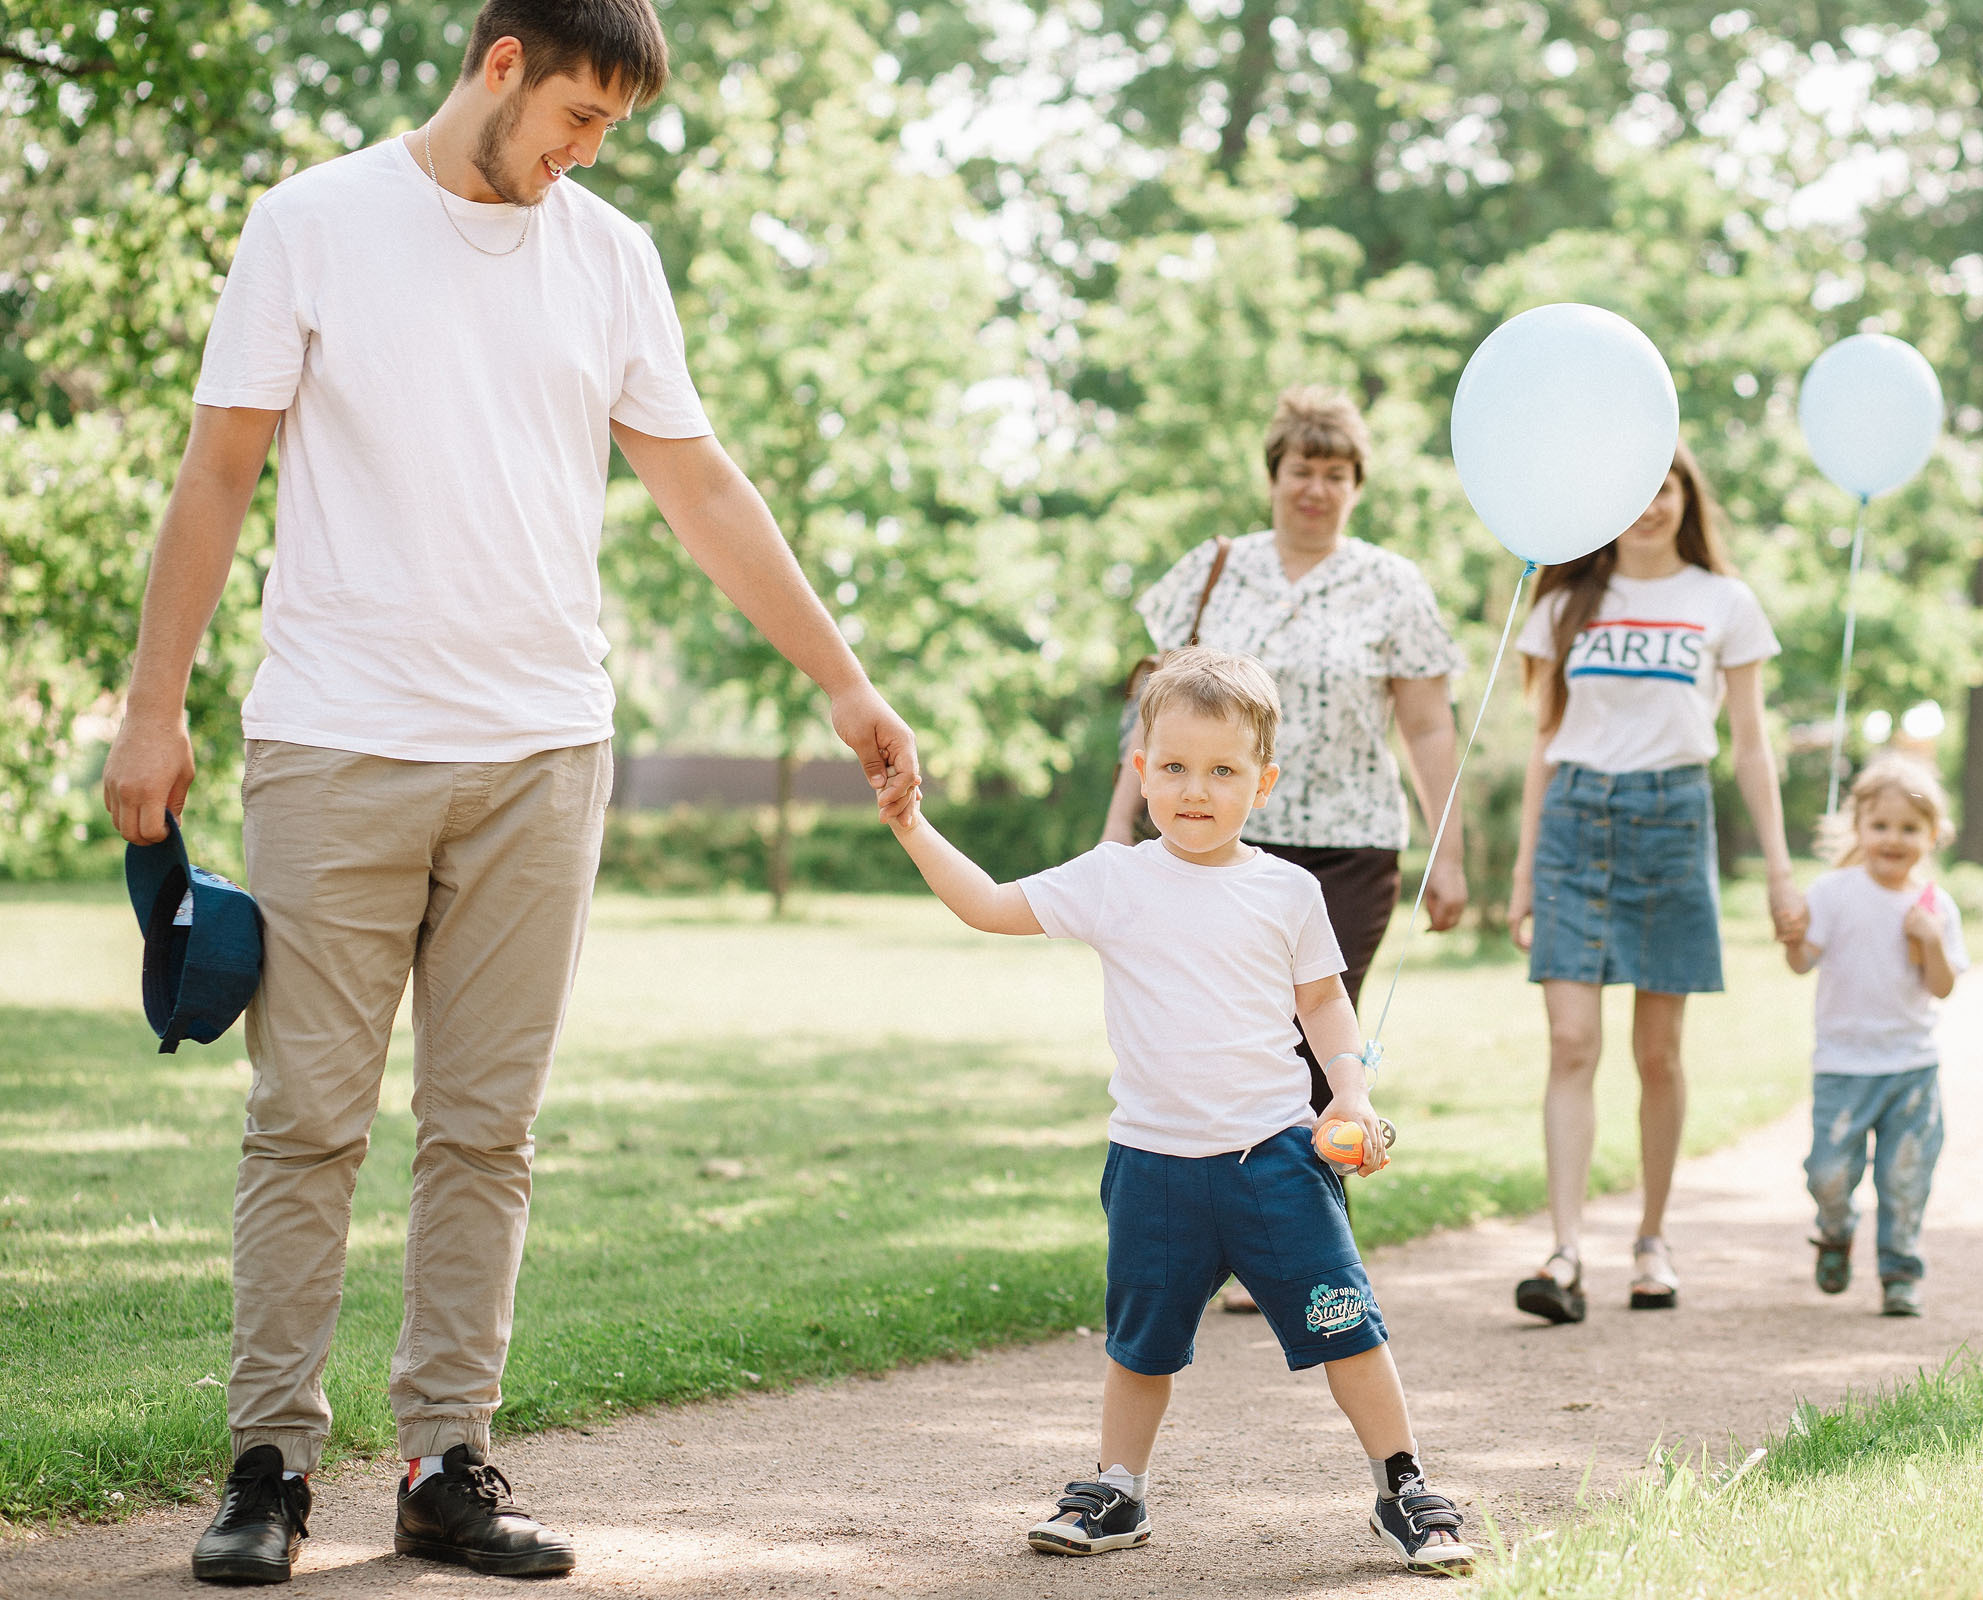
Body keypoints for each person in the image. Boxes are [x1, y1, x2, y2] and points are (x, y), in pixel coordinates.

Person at [98, 2, 919, 1584]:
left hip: (544, 751)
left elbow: (697, 482)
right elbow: (218, 469)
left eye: (607, 128)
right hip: (337, 741)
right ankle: (269, 1464)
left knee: (488, 1132)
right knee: (307, 1123)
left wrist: (841, 673)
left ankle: (443, 1464)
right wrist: (153, 707)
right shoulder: (315, 222)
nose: (586, 152)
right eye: (578, 116)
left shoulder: (608, 256)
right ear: (500, 67)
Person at [890, 649, 1476, 1577]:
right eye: (1173, 767)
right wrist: (914, 824)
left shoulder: (1288, 890)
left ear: (1263, 783)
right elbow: (990, 906)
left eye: (1221, 771)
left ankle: (1403, 1482)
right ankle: (1116, 1488)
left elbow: (1322, 1002)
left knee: (1346, 1326)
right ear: (1140, 772)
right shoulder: (1113, 877)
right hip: (1154, 1167)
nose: (1194, 789)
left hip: (1278, 1159)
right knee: (1141, 1346)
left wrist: (1353, 1092)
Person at [1104, 387, 1466, 1311]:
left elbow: (1427, 727)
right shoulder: (1214, 570)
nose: (1317, 487)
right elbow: (1154, 716)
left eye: (1337, 473)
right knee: (1221, 1032)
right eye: (1302, 468)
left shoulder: (1393, 585)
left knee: (1313, 1039)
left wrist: (1448, 850)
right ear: (1275, 474)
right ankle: (1228, 1233)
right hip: (1219, 833)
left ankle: (1297, 1252)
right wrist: (1119, 830)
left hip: (1350, 844)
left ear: (1357, 486)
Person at [1504, 443, 1805, 1322]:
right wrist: (1523, 872)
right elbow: (1541, 743)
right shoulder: (1562, 603)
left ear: (1688, 497)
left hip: (1674, 824)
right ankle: (1563, 1254)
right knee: (1570, 1044)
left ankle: (1653, 1240)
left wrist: (1779, 870)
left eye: (1668, 485)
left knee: (1659, 1053)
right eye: (1636, 488)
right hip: (1574, 822)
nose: (1653, 503)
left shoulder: (1725, 603)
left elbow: (1752, 746)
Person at [1779, 754, 1968, 1319]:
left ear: (1932, 835)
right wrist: (1791, 938)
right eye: (1880, 826)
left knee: (1906, 1177)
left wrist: (1931, 941)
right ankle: (1835, 1230)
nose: (1893, 838)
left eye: (1909, 828)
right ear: (1858, 828)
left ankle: (1900, 1273)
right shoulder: (1833, 893)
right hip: (1842, 1065)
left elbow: (1942, 988)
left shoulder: (1935, 906)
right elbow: (1801, 962)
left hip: (1911, 1066)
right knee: (1828, 1173)